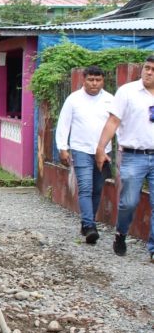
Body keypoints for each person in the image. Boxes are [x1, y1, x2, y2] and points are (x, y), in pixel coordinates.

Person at [95, 56, 154, 262]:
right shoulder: (128, 92)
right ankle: (121, 234)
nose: (149, 72)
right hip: (133, 155)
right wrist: (101, 148)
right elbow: (113, 121)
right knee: (129, 202)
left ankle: (153, 249)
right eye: (147, 68)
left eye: (153, 69)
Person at [55, 65, 113, 244]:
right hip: (80, 150)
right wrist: (62, 148)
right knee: (86, 188)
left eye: (98, 80)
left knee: (97, 189)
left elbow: (118, 124)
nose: (94, 83)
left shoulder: (111, 100)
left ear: (103, 81)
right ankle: (89, 226)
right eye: (91, 79)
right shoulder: (74, 99)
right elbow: (64, 123)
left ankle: (88, 222)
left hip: (103, 152)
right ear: (84, 80)